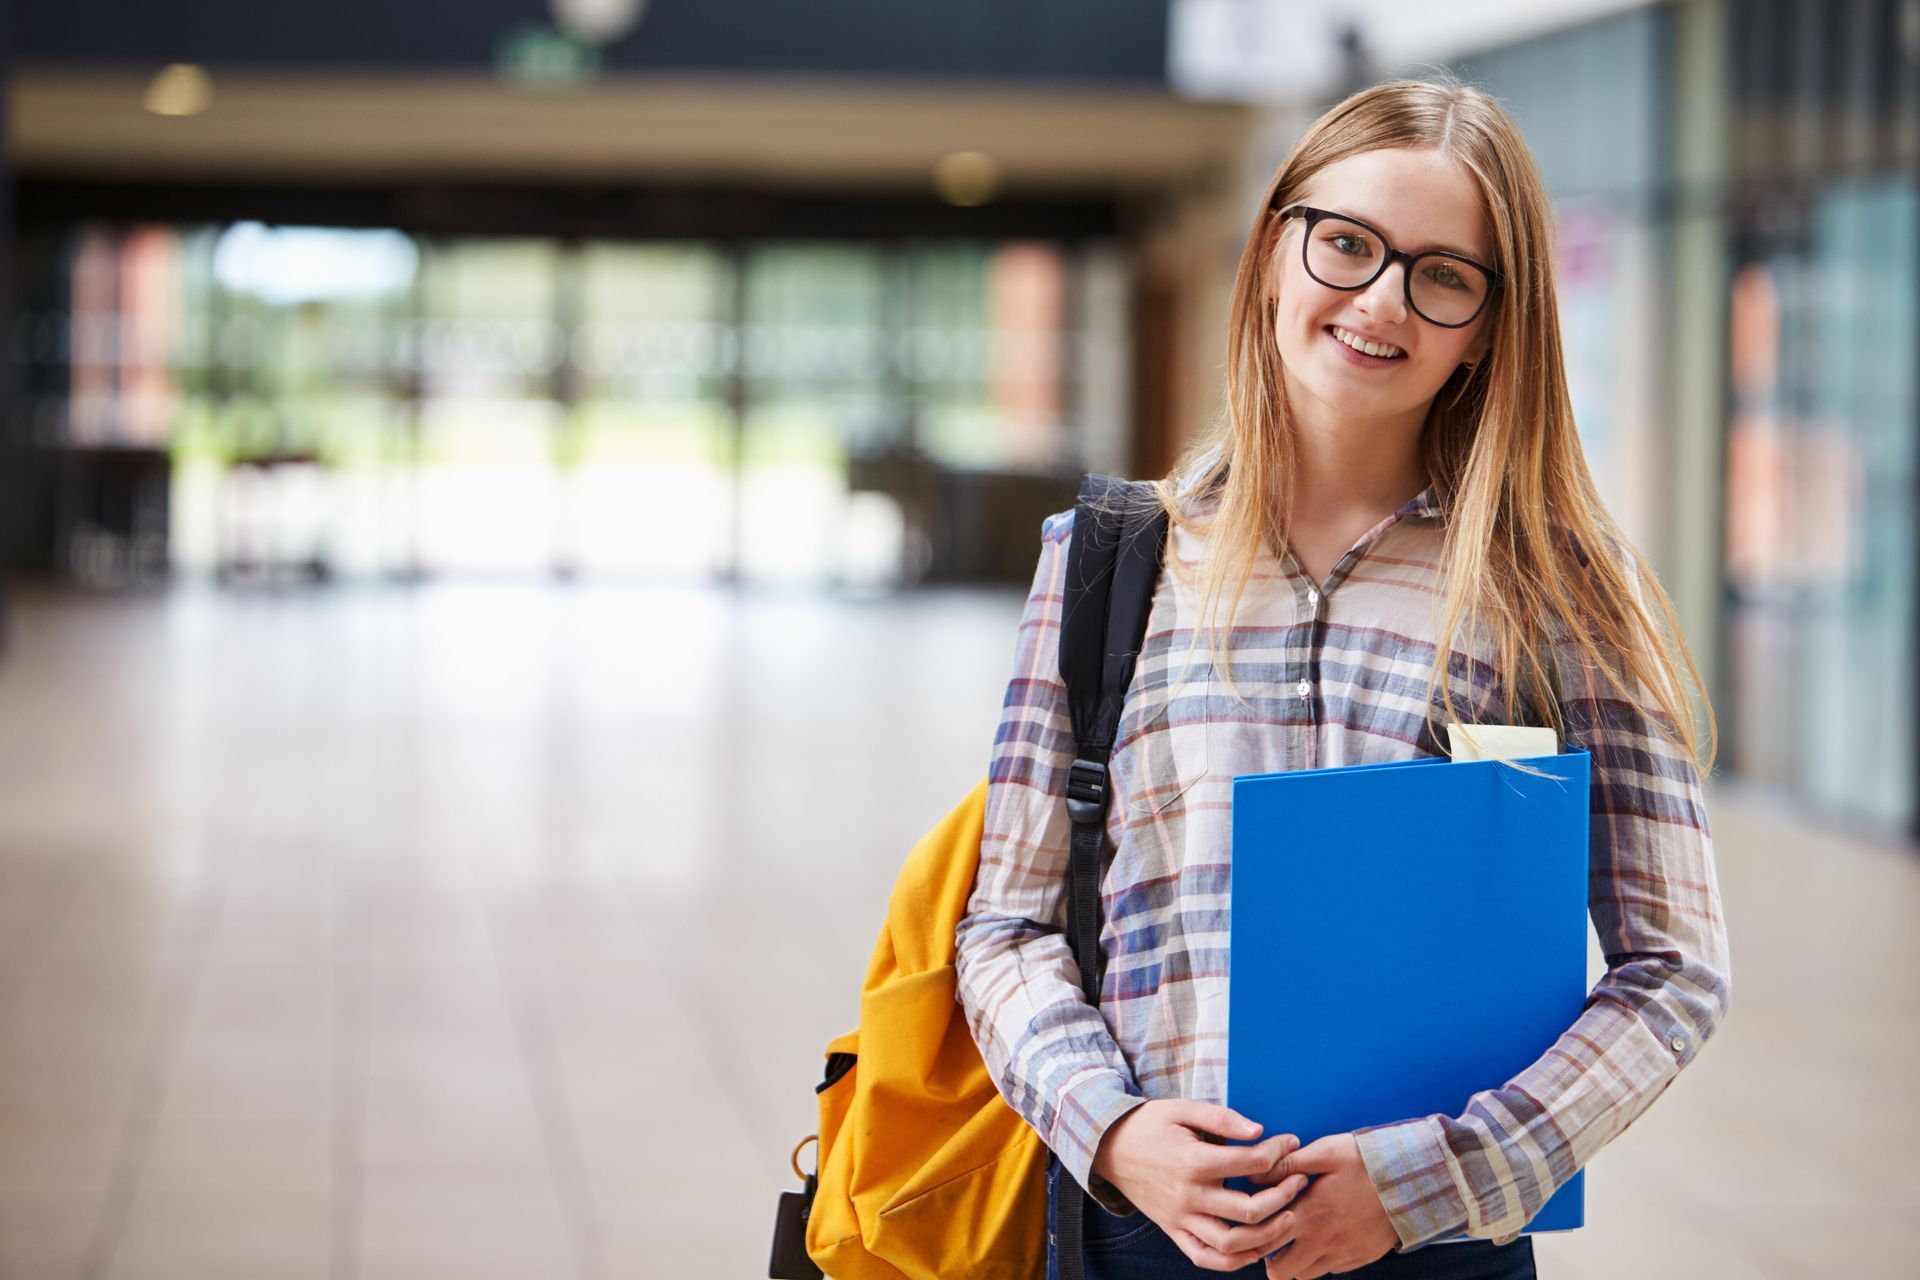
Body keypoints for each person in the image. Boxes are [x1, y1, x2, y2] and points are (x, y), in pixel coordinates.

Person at [954, 78, 1731, 1280]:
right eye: (1349, 245)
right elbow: (1005, 925)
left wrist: (1428, 1180)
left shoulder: (1562, 586)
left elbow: (1674, 967)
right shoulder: (1108, 561)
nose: (1382, 302)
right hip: (1141, 1234)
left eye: (1444, 274)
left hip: (1431, 1248)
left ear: (1489, 323)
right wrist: (1113, 1130)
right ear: (1274, 249)